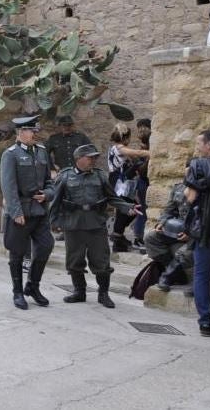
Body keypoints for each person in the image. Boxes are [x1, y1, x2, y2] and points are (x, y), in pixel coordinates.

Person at [49, 144, 139, 308]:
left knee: (102, 261)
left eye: (95, 157)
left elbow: (112, 198)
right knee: (74, 261)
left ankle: (103, 294)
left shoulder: (100, 176)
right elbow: (55, 202)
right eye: (90, 157)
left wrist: (128, 207)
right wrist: (54, 222)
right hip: (74, 224)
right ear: (79, 159)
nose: (93, 160)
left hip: (96, 224)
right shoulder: (65, 176)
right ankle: (79, 292)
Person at [0, 115, 54, 310]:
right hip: (21, 211)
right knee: (17, 253)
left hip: (39, 211)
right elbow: (8, 186)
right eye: (31, 131)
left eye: (35, 131)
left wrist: (47, 194)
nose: (35, 134)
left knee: (46, 246)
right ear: (21, 132)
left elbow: (49, 181)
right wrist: (15, 211)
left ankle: (32, 285)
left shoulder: (41, 152)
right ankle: (18, 292)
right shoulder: (11, 154)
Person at [182, 129, 210, 337]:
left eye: (199, 143)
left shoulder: (198, 165)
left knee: (201, 276)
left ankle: (206, 322)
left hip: (205, 230)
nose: (197, 147)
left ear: (209, 145)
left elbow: (189, 198)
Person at [144, 177, 193, 292]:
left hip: (196, 234)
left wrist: (190, 234)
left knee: (183, 253)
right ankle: (178, 274)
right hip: (176, 230)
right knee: (150, 239)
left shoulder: (206, 191)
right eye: (187, 173)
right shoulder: (178, 188)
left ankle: (167, 276)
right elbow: (168, 210)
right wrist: (161, 223)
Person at [106, 123, 150, 252]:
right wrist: (150, 152)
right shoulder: (118, 148)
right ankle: (117, 236)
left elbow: (134, 159)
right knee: (125, 209)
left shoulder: (118, 148)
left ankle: (118, 235)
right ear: (126, 137)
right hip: (119, 181)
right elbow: (137, 153)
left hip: (123, 182)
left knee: (130, 208)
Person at [132, 119, 152, 249]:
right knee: (144, 210)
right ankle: (138, 238)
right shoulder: (142, 150)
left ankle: (139, 237)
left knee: (144, 210)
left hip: (146, 182)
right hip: (144, 182)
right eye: (140, 129)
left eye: (144, 128)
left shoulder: (147, 146)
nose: (142, 131)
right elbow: (141, 170)